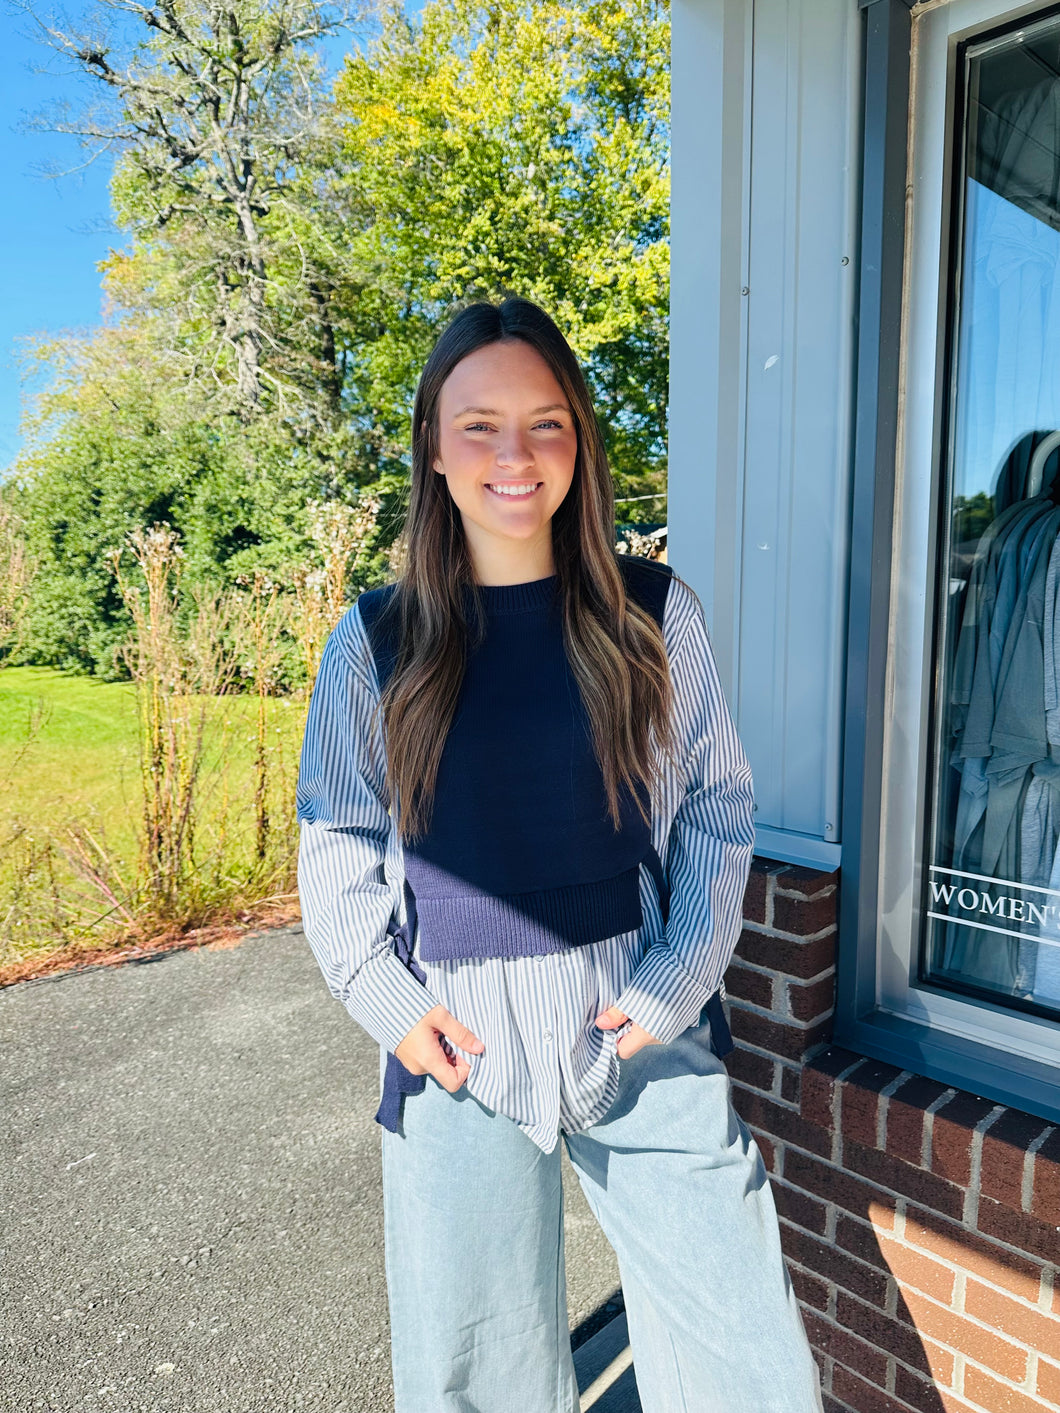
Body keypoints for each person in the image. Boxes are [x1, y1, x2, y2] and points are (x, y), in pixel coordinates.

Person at [295, 296, 824, 1413]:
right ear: (433, 450)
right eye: (478, 424)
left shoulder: (650, 614)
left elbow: (718, 812)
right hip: (455, 1053)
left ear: (579, 440)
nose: (514, 455)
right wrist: (389, 1004)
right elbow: (338, 843)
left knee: (747, 1366)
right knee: (472, 1378)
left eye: (545, 423)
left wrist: (674, 983)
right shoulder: (375, 642)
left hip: (636, 1035)